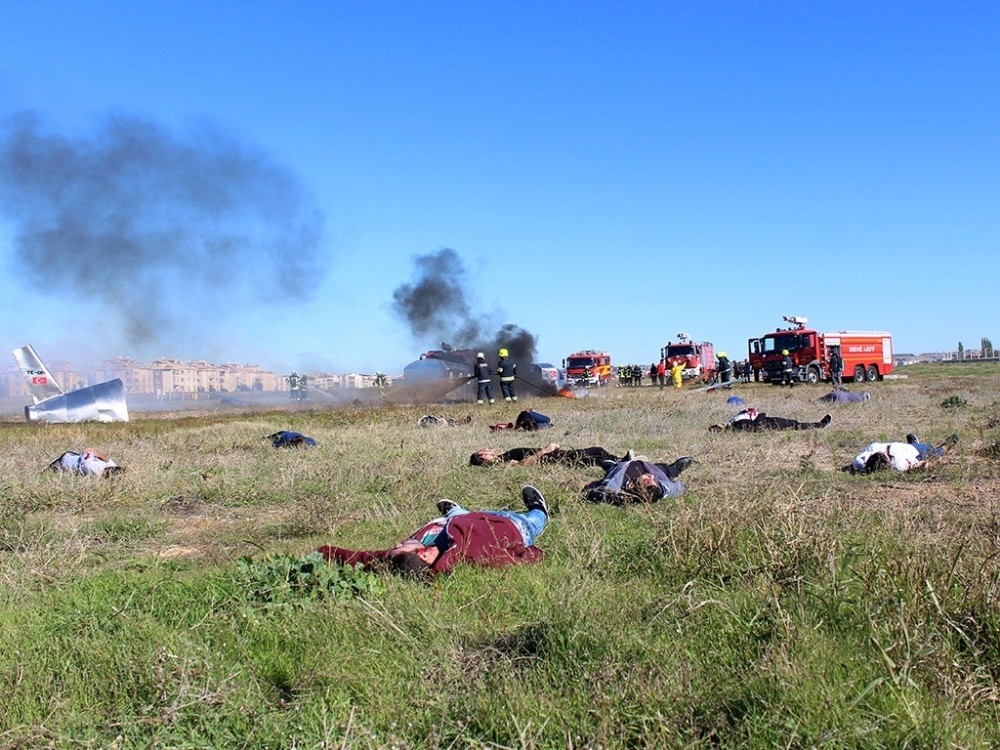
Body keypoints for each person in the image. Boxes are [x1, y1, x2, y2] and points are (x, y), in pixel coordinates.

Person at [317, 485, 549, 577]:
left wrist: (325, 551)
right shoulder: (467, 554)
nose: (397, 545)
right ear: (424, 555)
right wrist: (532, 552)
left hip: (465, 519)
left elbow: (365, 558)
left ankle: (454, 512)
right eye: (401, 548)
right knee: (532, 522)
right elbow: (515, 558)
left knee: (455, 517)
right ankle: (540, 511)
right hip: (509, 525)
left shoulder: (397, 557)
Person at [584, 451, 692, 505]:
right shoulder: (661, 487)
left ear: (631, 486)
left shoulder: (614, 484)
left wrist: (613, 496)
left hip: (620, 466)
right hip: (651, 467)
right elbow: (677, 488)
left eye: (646, 481)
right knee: (665, 470)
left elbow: (591, 491)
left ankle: (611, 463)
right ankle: (677, 467)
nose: (652, 478)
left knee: (609, 464)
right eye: (653, 481)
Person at [845, 433, 958, 474]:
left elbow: (924, 464)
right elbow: (922, 465)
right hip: (906, 450)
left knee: (934, 452)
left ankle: (948, 444)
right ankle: (914, 442)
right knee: (934, 453)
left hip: (914, 450)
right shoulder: (899, 465)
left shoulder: (899, 464)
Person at [470, 443, 621, 467]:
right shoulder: (501, 463)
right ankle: (621, 462)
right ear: (482, 457)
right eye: (483, 451)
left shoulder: (501, 457)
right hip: (552, 458)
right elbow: (523, 465)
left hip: (554, 455)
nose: (487, 448)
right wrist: (545, 450)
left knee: (594, 456)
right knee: (595, 452)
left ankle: (619, 462)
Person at [709, 408, 832, 432]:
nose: (721, 422)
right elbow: (756, 426)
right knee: (796, 425)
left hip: (771, 422)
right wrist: (761, 414)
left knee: (795, 424)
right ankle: (820, 425)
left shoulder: (733, 422)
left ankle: (818, 424)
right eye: (719, 425)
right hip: (771, 424)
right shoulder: (737, 425)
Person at [47, 449, 124, 477]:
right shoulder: (107, 469)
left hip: (66, 460)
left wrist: (97, 454)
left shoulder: (93, 468)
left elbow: (88, 450)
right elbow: (109, 462)